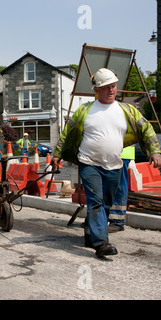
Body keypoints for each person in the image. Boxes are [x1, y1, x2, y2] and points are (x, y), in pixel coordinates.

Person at [51, 68, 161, 258]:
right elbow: (67, 133)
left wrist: (155, 151)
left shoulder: (126, 110)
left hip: (114, 165)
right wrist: (57, 155)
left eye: (113, 86)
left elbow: (146, 129)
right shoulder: (85, 110)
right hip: (89, 163)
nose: (111, 90)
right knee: (96, 202)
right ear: (97, 89)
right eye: (106, 87)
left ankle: (90, 233)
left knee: (107, 204)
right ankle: (101, 243)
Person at [108, 146, 134, 233]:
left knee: (118, 186)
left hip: (121, 152)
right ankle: (98, 219)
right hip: (107, 151)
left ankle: (117, 221)